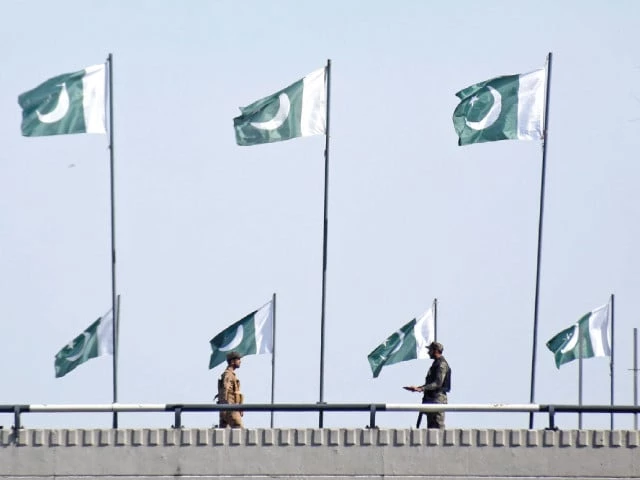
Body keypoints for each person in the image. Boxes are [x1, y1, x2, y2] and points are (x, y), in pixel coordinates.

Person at [404, 341, 451, 429]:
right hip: (432, 399)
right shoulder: (436, 363)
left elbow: (438, 383)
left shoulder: (441, 364)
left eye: (430, 350)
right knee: (431, 430)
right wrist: (418, 388)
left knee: (438, 428)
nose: (428, 352)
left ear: (435, 351)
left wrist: (421, 388)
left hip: (437, 400)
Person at [217, 351, 244, 428]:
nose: (240, 361)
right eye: (238, 359)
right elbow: (225, 390)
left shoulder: (230, 374)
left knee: (223, 433)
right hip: (231, 409)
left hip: (228, 408)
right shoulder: (228, 374)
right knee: (240, 430)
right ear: (232, 362)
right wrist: (226, 408)